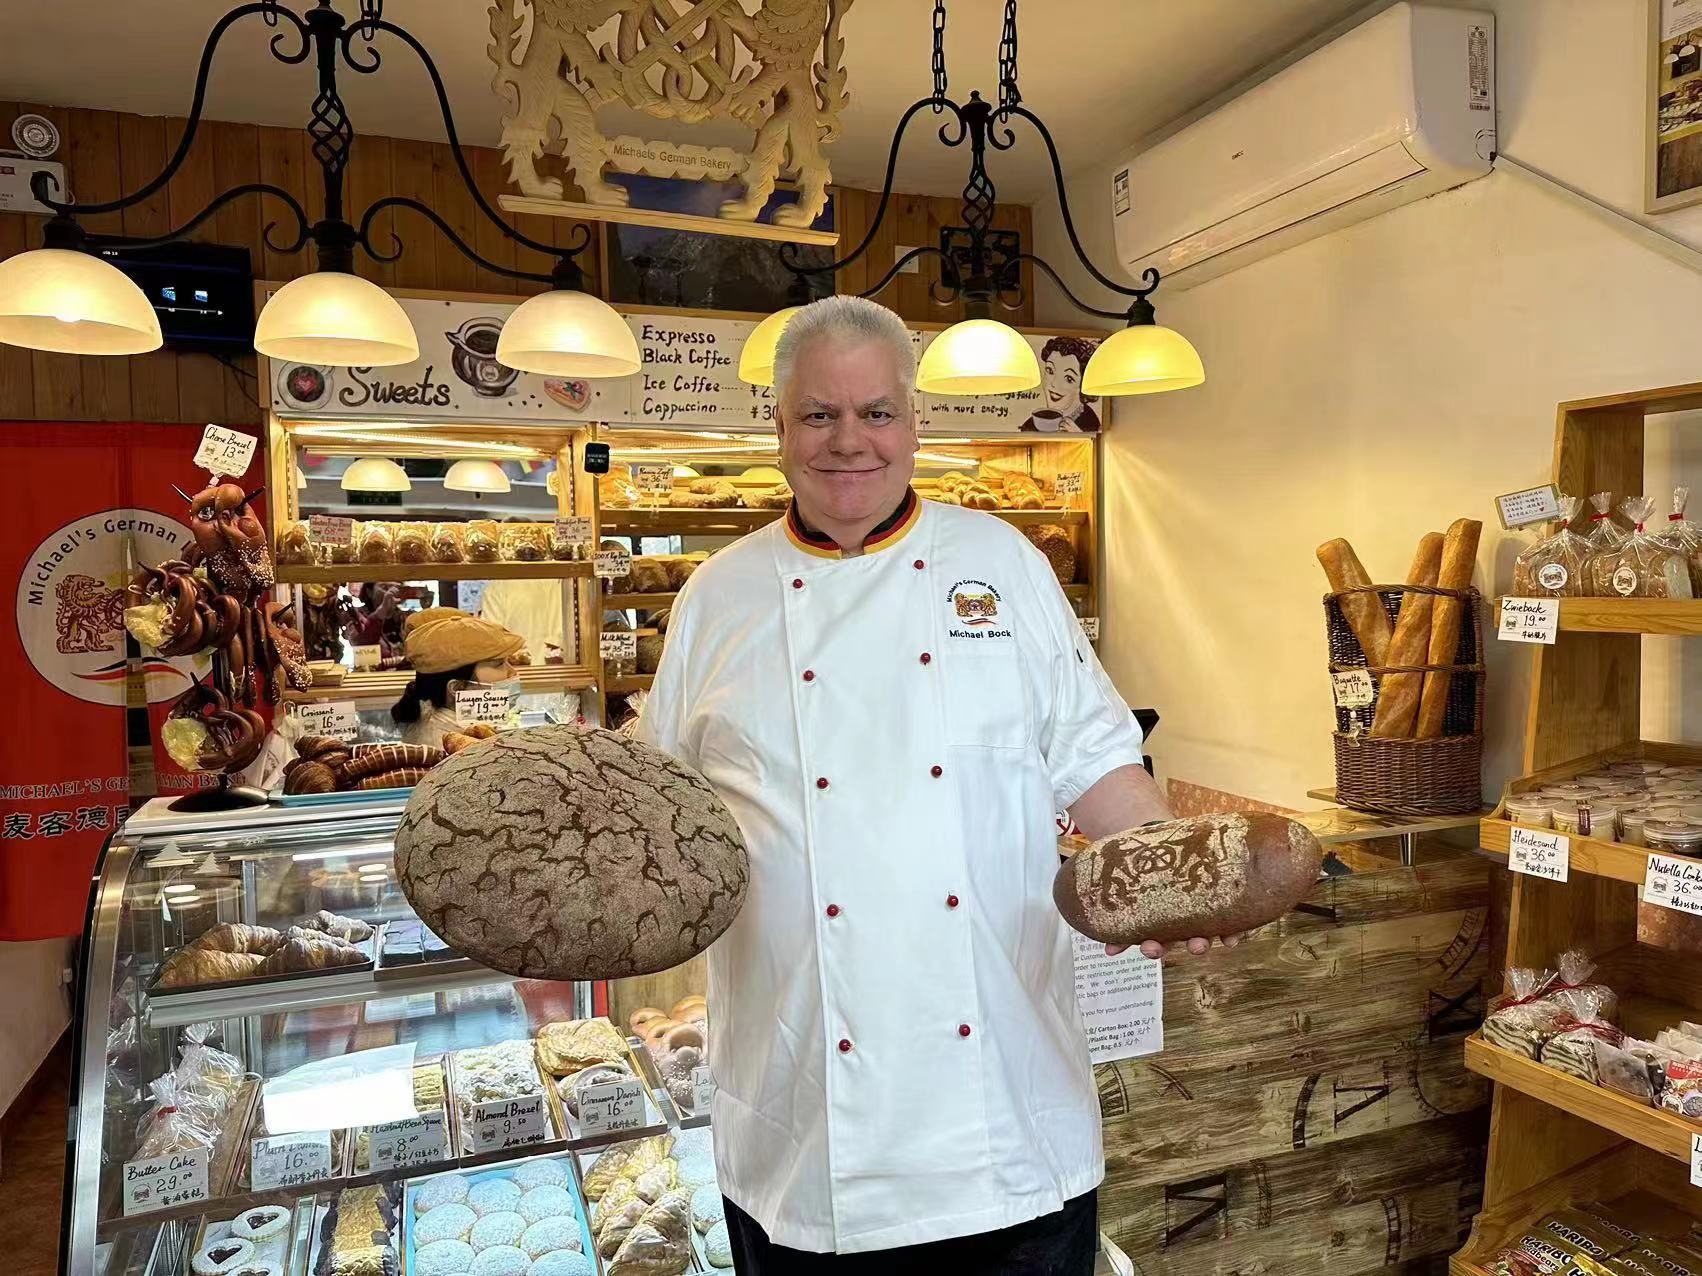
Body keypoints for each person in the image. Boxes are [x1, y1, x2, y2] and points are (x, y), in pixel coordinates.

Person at [637, 296, 1233, 1274]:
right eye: (819, 414)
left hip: (1001, 1121)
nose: (848, 441)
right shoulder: (718, 598)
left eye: (874, 412)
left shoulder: (1000, 563)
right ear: (776, 427)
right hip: (803, 1139)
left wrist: (1167, 878)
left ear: (914, 423)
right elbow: (665, 821)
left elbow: (1095, 764)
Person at [389, 607, 524, 748]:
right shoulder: (449, 747)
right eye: (500, 664)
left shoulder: (442, 721)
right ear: (457, 687)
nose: (512, 672)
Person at [1020, 335, 1101, 433]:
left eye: (1068, 378)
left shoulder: (1090, 424)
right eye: (1050, 371)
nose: (1054, 384)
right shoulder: (1030, 426)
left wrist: (1080, 437)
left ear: (1082, 385)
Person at [479, 577, 565, 666]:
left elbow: (490, 643)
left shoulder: (498, 586)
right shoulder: (498, 586)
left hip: (517, 672)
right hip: (564, 670)